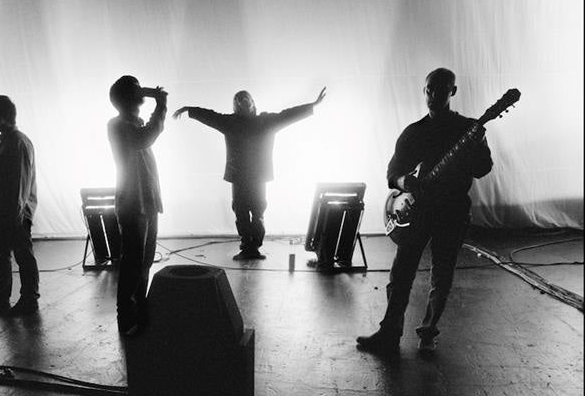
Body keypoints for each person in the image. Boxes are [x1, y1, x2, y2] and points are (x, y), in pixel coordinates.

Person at [357, 68, 493, 355]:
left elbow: (482, 169)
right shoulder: (415, 132)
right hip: (418, 212)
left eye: (441, 89)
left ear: (453, 91)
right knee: (401, 273)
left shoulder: (468, 129)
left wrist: (479, 142)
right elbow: (393, 173)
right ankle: (389, 333)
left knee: (441, 276)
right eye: (430, 89)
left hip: (453, 211)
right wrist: (404, 181)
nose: (434, 95)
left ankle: (428, 333)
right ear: (425, 90)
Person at [173, 87, 327, 260]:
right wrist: (189, 110)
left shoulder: (259, 121)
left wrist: (312, 105)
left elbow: (288, 115)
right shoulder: (249, 122)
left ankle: (251, 248)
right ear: (236, 106)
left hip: (250, 176)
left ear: (252, 103)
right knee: (245, 213)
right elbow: (210, 116)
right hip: (244, 176)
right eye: (239, 100)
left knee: (254, 212)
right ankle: (250, 248)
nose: (242, 102)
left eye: (245, 99)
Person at [107, 75, 168, 335]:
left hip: (147, 201)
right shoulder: (118, 125)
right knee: (133, 261)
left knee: (144, 261)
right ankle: (126, 316)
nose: (141, 90)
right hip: (133, 203)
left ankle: (139, 309)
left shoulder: (134, 123)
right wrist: (161, 105)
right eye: (135, 89)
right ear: (126, 99)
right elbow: (145, 138)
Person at [0, 95, 40, 316]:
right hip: (4, 211)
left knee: (22, 255)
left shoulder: (18, 142)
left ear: (2, 117)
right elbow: (1, 174)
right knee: (1, 254)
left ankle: (29, 299)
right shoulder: (6, 140)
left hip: (14, 212)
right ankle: (1, 296)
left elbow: (20, 182)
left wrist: (17, 213)